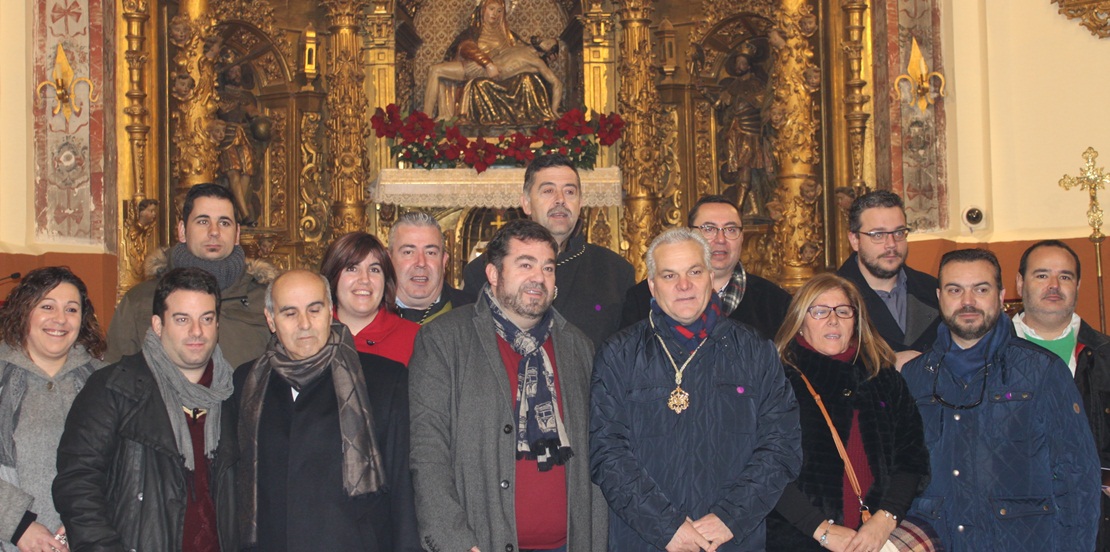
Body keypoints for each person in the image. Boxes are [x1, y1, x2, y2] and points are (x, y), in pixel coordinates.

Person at [591, 228, 801, 551]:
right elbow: (607, 454)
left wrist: (730, 517)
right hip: (645, 540)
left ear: (711, 277)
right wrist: (667, 527)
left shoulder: (755, 350)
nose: (684, 285)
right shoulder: (618, 354)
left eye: (694, 271)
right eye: (669, 275)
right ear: (651, 285)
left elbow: (782, 445)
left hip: (732, 540)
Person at [409, 219, 606, 551]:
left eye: (547, 267)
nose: (538, 278)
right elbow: (428, 453)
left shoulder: (577, 346)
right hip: (480, 543)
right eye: (525, 264)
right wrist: (454, 542)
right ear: (494, 274)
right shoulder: (444, 340)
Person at [901, 248, 1100, 551]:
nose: (968, 302)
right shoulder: (914, 377)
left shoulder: (1042, 371)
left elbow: (1078, 478)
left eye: (981, 289)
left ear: (1002, 295)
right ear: (940, 296)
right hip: (938, 539)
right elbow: (897, 472)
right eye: (956, 290)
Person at [54, 268, 238, 551]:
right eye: (182, 319)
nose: (197, 332)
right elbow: (78, 484)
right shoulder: (113, 388)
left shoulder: (234, 395)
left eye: (207, 319)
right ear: (157, 324)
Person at [234, 269, 418, 551]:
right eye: (290, 313)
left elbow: (405, 493)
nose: (304, 324)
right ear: (271, 319)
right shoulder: (247, 383)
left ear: (331, 311)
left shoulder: (384, 381)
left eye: (314, 309)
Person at [766, 273, 929, 551]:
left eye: (843, 311)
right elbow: (766, 469)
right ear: (800, 323)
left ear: (856, 321)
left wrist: (884, 519)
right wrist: (821, 529)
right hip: (798, 537)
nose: (833, 320)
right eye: (819, 311)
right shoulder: (777, 381)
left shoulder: (884, 379)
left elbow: (911, 460)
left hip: (877, 537)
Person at [464, 153, 635, 346]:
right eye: (548, 191)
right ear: (526, 203)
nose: (560, 200)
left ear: (580, 203)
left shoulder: (616, 272)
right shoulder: (484, 270)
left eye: (570, 192)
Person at [106, 183, 278, 368]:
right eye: (203, 221)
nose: (214, 232)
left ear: (237, 234)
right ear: (182, 231)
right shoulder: (141, 301)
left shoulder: (265, 300)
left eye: (224, 223)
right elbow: (115, 380)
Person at [1013, 239, 1110, 550]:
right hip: (1012, 523)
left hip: (1096, 524)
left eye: (1065, 276)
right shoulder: (985, 358)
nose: (1054, 285)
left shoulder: (1105, 355)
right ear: (1019, 283)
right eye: (1041, 275)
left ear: (1079, 285)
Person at [0, 267, 105, 552]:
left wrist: (85, 524)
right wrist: (17, 526)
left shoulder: (107, 381)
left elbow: (127, 467)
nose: (60, 319)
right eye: (47, 306)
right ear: (24, 311)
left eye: (71, 309)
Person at [621, 194, 790, 340]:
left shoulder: (775, 302)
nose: (721, 239)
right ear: (690, 235)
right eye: (709, 229)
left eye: (731, 229)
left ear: (741, 238)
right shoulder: (642, 299)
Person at [838, 190, 940, 367]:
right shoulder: (831, 299)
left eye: (899, 232)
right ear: (854, 240)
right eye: (878, 235)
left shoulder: (933, 290)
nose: (892, 244)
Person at [423, 0, 563, 124]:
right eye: (491, 8)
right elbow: (466, 47)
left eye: (499, 10)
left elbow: (541, 66)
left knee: (436, 70)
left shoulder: (510, 37)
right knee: (435, 70)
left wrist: (555, 109)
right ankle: (425, 120)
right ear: (483, 9)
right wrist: (487, 63)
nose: (495, 13)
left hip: (495, 75)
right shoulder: (473, 32)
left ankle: (425, 121)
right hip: (478, 65)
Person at [321, 231, 420, 365]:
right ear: (332, 277)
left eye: (374, 270)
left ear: (386, 281)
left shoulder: (417, 339)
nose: (365, 279)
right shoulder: (312, 335)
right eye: (352, 268)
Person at [388, 211, 476, 324]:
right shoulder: (368, 315)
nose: (421, 263)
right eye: (408, 252)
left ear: (444, 261)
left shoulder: (475, 314)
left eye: (430, 253)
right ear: (389, 260)